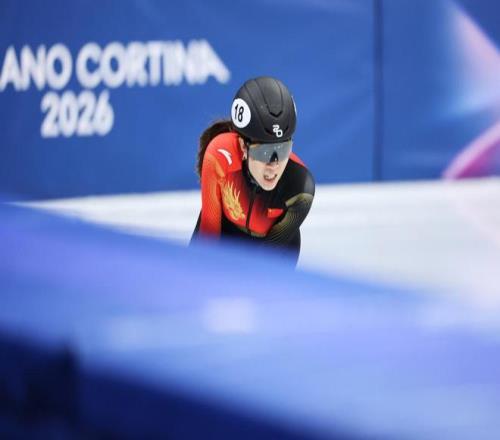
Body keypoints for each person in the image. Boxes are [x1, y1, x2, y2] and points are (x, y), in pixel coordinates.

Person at [191, 76, 315, 265]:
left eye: (283, 150)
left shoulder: (301, 188)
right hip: (226, 234)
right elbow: (208, 235)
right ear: (243, 146)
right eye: (264, 152)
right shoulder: (219, 156)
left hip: (273, 249)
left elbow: (266, 258)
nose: (274, 164)